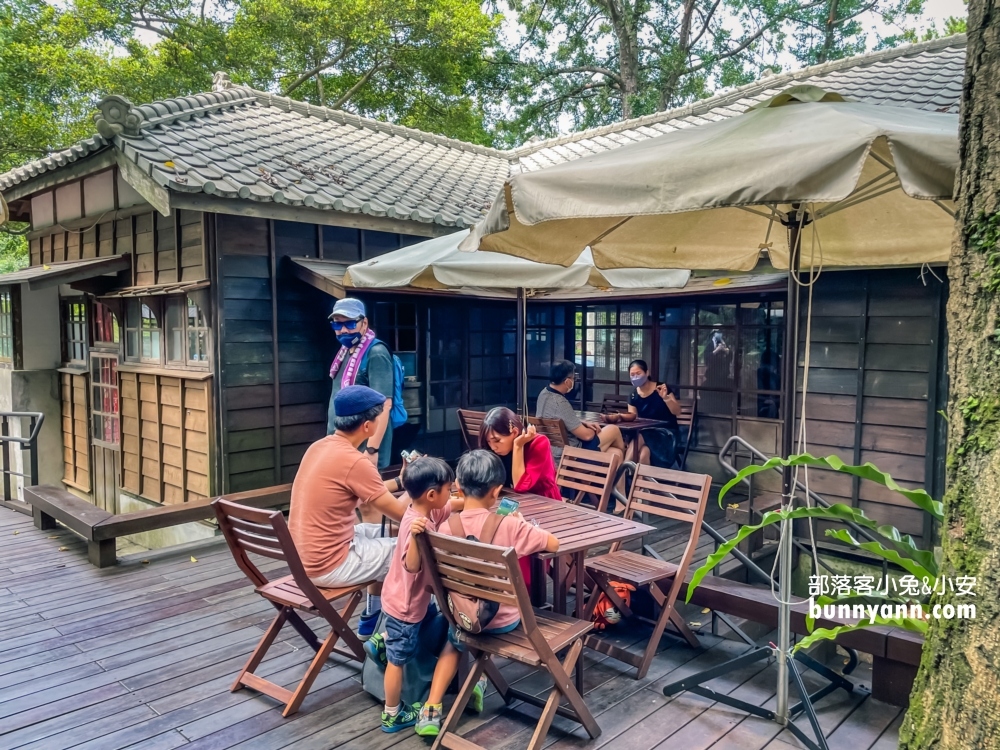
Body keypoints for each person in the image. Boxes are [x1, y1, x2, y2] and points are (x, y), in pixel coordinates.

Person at [414, 450, 559, 738]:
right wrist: (522, 523)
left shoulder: (445, 527)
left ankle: (431, 708)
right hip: (505, 620)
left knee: (453, 642)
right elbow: (552, 544)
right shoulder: (511, 524)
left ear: (457, 486)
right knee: (487, 627)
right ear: (496, 492)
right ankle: (478, 682)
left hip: (463, 618)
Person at [289, 385, 409, 638]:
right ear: (367, 425)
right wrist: (419, 486)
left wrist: (401, 483)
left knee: (388, 532)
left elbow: (361, 490)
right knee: (410, 549)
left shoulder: (319, 448)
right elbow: (400, 511)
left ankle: (371, 616)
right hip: (329, 565)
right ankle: (400, 633)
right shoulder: (355, 461)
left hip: (303, 560)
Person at [363, 456, 458, 733]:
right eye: (448, 489)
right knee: (397, 661)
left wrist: (477, 502)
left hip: (406, 598)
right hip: (405, 605)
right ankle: (392, 713)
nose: (451, 494)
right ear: (431, 495)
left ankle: (383, 640)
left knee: (429, 618)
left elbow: (449, 507)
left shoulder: (420, 509)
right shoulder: (418, 525)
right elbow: (412, 565)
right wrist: (417, 539)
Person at [327, 298, 395, 473]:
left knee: (367, 499)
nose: (343, 330)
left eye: (350, 323)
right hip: (344, 444)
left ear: (364, 323)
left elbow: (385, 406)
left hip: (363, 446)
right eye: (337, 325)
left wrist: (372, 450)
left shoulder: (376, 353)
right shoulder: (344, 353)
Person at [535, 360, 625, 461]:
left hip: (551, 453)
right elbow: (586, 436)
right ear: (567, 381)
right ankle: (629, 469)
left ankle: (623, 471)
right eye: (574, 378)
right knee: (614, 429)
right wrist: (593, 430)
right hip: (572, 455)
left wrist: (583, 423)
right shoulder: (560, 402)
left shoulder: (543, 394)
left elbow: (563, 420)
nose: (574, 381)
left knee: (616, 453)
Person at [479, 406, 560, 501]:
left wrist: (518, 446)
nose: (493, 447)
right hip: (513, 499)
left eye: (497, 440)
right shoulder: (498, 450)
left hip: (545, 501)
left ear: (514, 432)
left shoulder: (539, 443)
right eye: (489, 441)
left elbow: (520, 486)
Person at [627, 359, 682, 466]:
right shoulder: (633, 396)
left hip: (667, 435)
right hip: (646, 435)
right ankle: (641, 482)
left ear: (647, 373)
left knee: (640, 437)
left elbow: (677, 411)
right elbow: (633, 420)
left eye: (638, 373)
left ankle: (623, 471)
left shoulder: (661, 388)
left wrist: (665, 398)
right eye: (632, 375)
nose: (635, 377)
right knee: (643, 453)